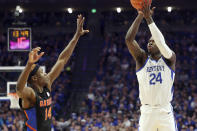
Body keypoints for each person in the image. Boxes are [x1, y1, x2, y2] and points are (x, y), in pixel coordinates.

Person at [16, 14, 89, 131]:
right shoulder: (30, 94)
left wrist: (76, 36)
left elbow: (62, 59)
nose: (46, 74)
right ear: (35, 79)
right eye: (42, 73)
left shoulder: (46, 84)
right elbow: (19, 89)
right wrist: (29, 65)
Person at [125, 1, 177, 131]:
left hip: (165, 111)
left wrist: (149, 18)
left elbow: (160, 41)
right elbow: (129, 40)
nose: (150, 43)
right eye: (149, 41)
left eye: (153, 41)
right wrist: (141, 15)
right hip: (147, 111)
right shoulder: (142, 59)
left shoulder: (170, 59)